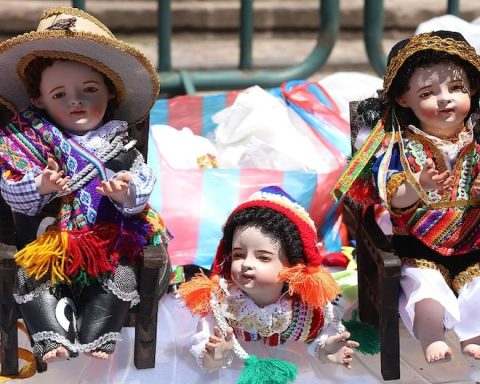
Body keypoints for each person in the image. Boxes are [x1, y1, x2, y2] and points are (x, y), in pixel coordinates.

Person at [0, 7, 169, 362]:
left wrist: (128, 196)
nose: (76, 100)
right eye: (59, 94)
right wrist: (39, 186)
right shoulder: (27, 142)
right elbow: (12, 192)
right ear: (38, 99)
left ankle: (97, 337)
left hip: (106, 246)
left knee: (121, 275)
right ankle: (53, 339)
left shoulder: (119, 144)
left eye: (89, 89)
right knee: (30, 277)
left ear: (109, 92)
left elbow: (142, 184)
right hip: (48, 247)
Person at [333, 30, 480, 363]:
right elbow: (392, 197)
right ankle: (431, 336)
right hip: (417, 241)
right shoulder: (402, 147)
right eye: (428, 92)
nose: (445, 99)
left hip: (474, 239)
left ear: (471, 88)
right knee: (423, 287)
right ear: (403, 99)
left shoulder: (476, 142)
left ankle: (474, 334)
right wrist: (418, 185)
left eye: (456, 88)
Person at [178, 186, 359, 384]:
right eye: (238, 254)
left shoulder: (306, 307)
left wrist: (325, 349)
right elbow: (205, 338)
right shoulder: (222, 301)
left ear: (293, 264)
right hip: (236, 370)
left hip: (294, 368)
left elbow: (320, 333)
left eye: (263, 257)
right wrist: (214, 356)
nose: (246, 263)